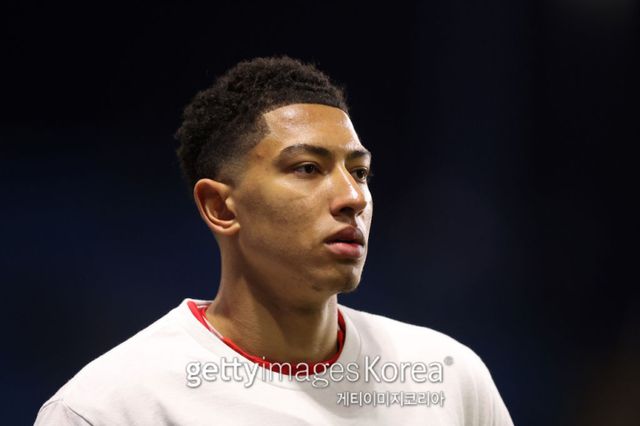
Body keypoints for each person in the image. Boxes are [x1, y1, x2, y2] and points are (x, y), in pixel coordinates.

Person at [35, 56, 514, 425]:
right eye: (307, 168)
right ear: (221, 207)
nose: (353, 198)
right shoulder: (109, 408)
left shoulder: (450, 379)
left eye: (360, 172)